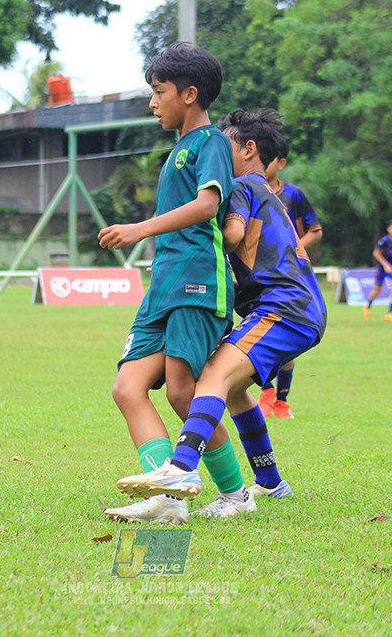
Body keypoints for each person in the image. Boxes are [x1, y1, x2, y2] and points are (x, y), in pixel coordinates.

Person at [114, 108, 327, 506]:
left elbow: (231, 234)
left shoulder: (245, 182)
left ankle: (180, 467)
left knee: (212, 374)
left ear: (248, 149)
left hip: (283, 308)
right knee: (231, 390)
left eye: (224, 147)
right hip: (298, 309)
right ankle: (270, 482)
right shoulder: (266, 189)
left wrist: (194, 247)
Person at [96, 42, 254, 524]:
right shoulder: (178, 151)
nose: (152, 101)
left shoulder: (211, 144)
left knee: (184, 393)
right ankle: (167, 498)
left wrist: (140, 229)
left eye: (158, 91)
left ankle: (235, 494)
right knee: (128, 387)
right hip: (163, 288)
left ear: (189, 94)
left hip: (197, 284)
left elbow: (209, 206)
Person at [257, 135, 323, 420]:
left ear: (280, 162)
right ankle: (266, 392)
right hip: (257, 275)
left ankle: (280, 400)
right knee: (256, 333)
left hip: (288, 274)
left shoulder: (293, 195)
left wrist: (293, 248)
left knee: (286, 344)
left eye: (267, 158)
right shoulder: (248, 191)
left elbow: (315, 230)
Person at [363, 219, 392, 323]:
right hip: (382, 269)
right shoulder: (384, 241)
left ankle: (389, 313)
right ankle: (367, 305)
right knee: (377, 290)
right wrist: (385, 265)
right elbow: (376, 253)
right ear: (388, 230)